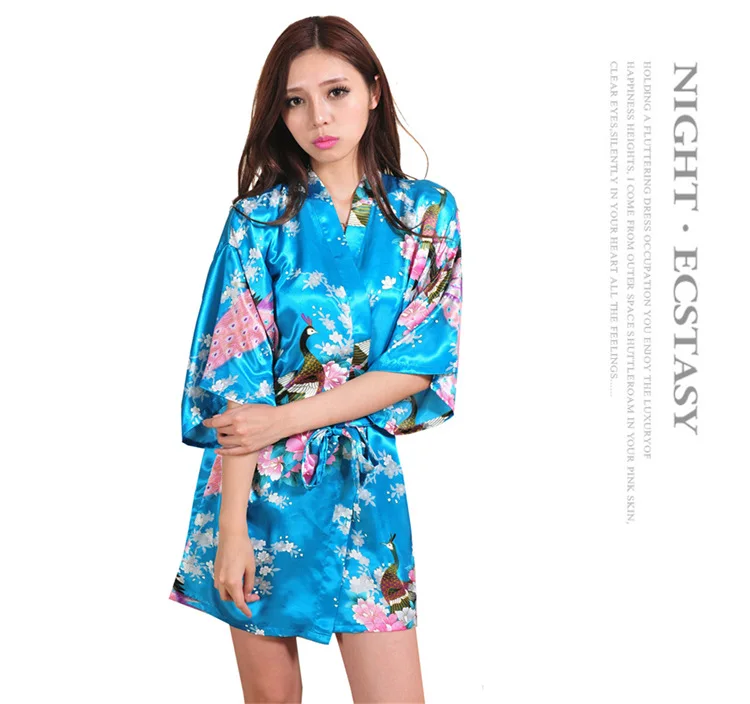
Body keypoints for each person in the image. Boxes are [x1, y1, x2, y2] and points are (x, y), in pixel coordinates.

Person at [169, 15, 463, 704]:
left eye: (336, 92)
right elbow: (238, 384)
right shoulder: (258, 221)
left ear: (374, 92)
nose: (318, 117)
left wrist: (283, 419)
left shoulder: (427, 215)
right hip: (256, 489)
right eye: (295, 101)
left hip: (366, 484)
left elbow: (417, 363)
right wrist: (231, 531)